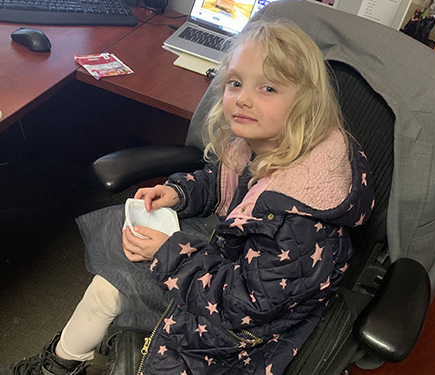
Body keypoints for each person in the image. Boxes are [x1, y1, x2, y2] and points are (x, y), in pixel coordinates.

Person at [1, 20, 374, 375]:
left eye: (268, 88)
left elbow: (242, 306)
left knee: (157, 346)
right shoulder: (266, 144)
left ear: (305, 104)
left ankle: (124, 354)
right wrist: (178, 193)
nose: (242, 99)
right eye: (235, 83)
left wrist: (168, 254)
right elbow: (222, 182)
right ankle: (59, 363)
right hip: (224, 265)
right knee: (109, 283)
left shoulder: (299, 225)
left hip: (249, 327)